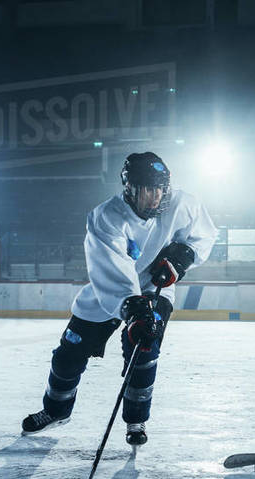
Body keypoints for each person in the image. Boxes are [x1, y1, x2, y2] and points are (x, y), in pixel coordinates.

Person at [21, 151, 216, 449]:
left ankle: (136, 420)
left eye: (160, 189)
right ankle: (56, 410)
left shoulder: (183, 204)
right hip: (107, 293)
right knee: (67, 356)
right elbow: (114, 268)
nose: (155, 197)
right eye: (147, 189)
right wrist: (132, 309)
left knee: (143, 352)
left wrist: (183, 255)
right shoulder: (106, 217)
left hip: (153, 290)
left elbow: (205, 235)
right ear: (130, 188)